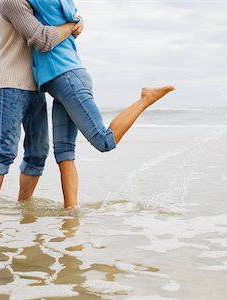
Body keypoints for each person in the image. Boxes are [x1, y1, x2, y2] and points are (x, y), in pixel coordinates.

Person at [28, 0, 176, 208]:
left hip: (67, 77)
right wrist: (79, 21)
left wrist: (79, 21)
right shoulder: (66, 6)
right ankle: (71, 212)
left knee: (104, 140)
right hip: (62, 80)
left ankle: (146, 98)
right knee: (64, 152)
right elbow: (75, 19)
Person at [0, 0, 84, 209]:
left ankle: (23, 207)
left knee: (38, 152)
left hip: (36, 85)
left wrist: (79, 20)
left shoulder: (38, 3)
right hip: (11, 83)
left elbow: (62, 15)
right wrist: (71, 26)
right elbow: (42, 39)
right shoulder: (12, 2)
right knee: (5, 149)